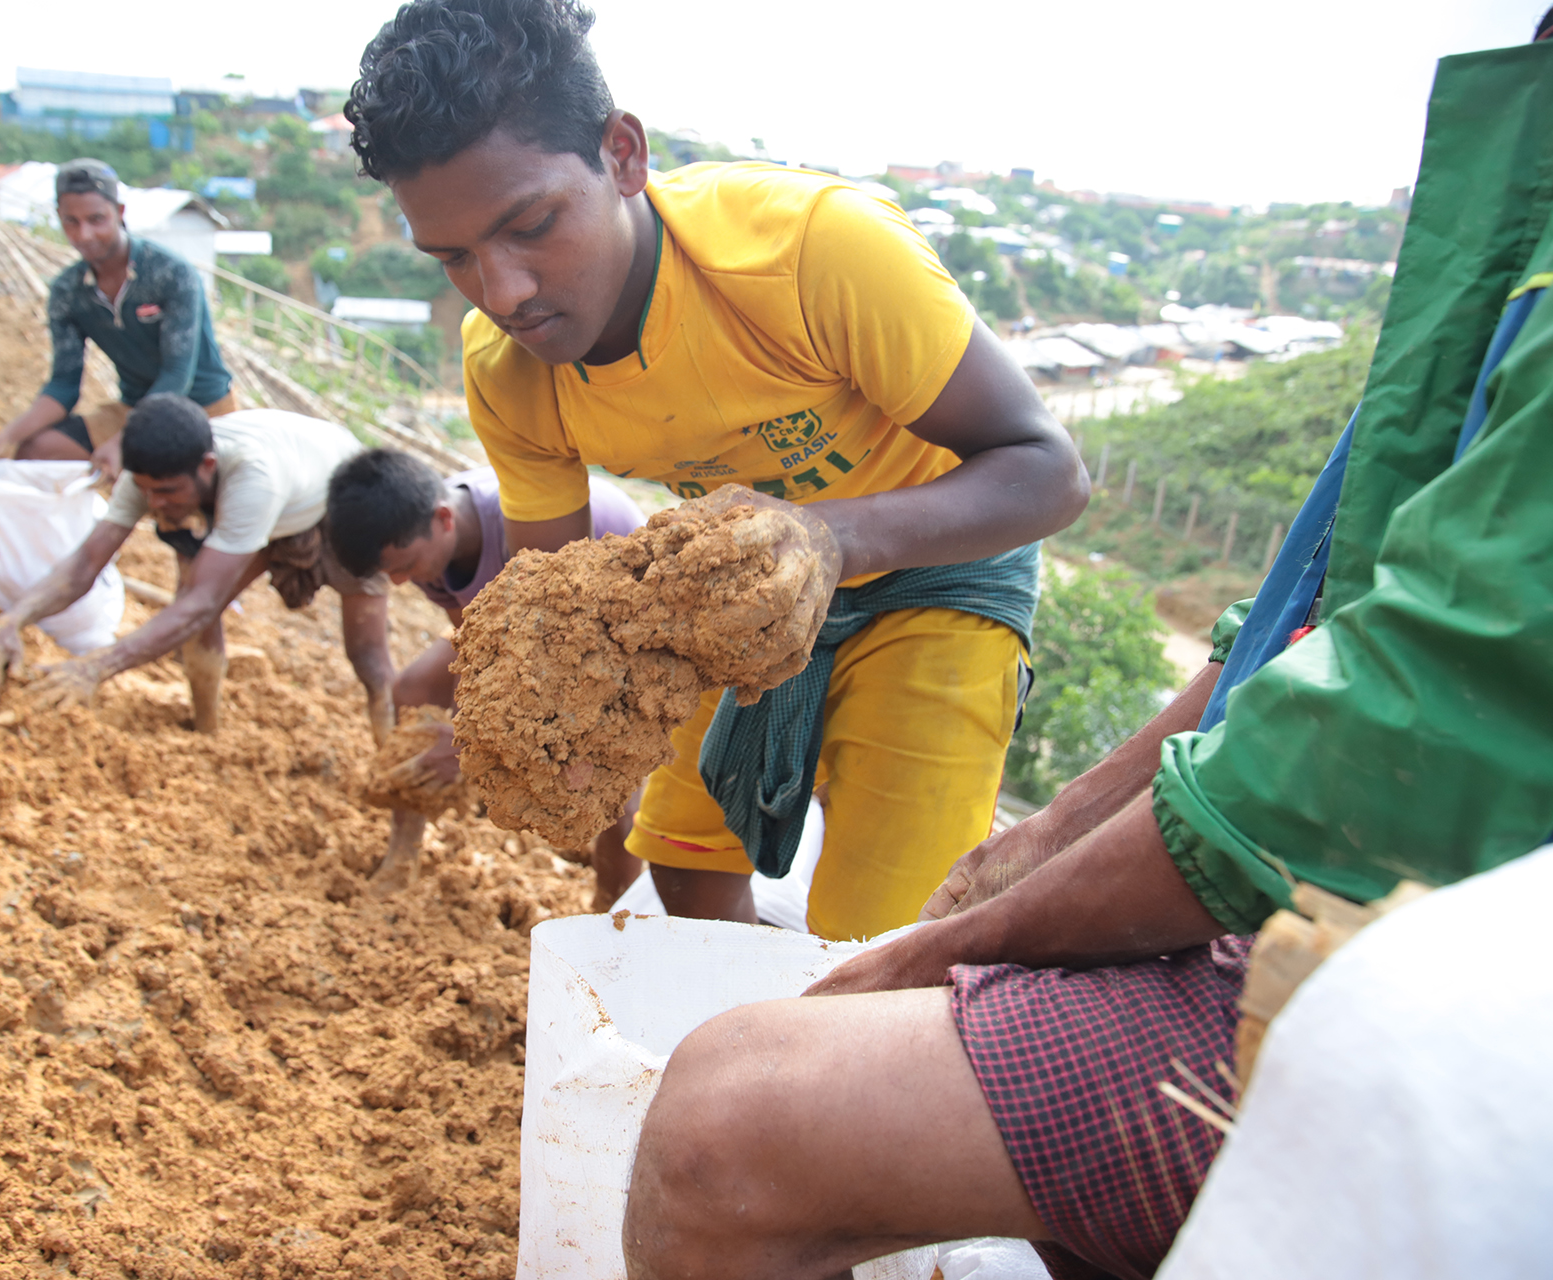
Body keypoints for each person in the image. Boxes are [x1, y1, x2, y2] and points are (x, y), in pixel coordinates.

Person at [619, 31, 1553, 1280]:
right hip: (1341, 860)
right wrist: (1045, 833)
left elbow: (1404, 706)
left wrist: (937, 953)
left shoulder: (810, 250)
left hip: (1412, 927)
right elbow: (1304, 624)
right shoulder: (1509, 204)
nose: (503, 288)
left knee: (723, 1118)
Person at [344, 0, 1086, 942]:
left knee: (881, 938)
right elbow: (555, 616)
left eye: (530, 225)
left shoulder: (812, 252)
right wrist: (506, 737)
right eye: (453, 257)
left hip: (937, 565)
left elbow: (1050, 471)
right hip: (736, 587)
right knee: (685, 872)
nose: (504, 292)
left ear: (622, 155)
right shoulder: (508, 369)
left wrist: (831, 538)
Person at [326, 447, 648, 901]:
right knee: (414, 690)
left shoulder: (528, 525)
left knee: (607, 780)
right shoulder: (426, 546)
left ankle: (612, 906)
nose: (400, 583)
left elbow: (551, 672)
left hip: (615, 635)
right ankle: (403, 853)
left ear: (443, 518)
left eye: (405, 567)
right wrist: (464, 732)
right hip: (527, 635)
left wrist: (469, 749)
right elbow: (482, 647)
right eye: (390, 573)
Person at [0, 395, 395, 738]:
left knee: (367, 655)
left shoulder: (252, 478)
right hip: (279, 493)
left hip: (341, 500)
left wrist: (95, 668)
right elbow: (85, 563)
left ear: (206, 466)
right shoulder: (149, 477)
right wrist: (10, 621)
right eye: (145, 491)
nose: (155, 504)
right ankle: (206, 730)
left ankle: (387, 755)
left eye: (169, 492)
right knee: (190, 599)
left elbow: (201, 603)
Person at [0, 158, 237, 484]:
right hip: (135, 409)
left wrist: (124, 441)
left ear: (120, 212)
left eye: (97, 219)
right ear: (59, 218)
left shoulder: (170, 274)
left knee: (197, 497)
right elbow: (64, 385)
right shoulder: (68, 293)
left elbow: (176, 377)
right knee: (36, 449)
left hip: (203, 410)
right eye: (72, 222)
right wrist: (6, 437)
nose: (84, 234)